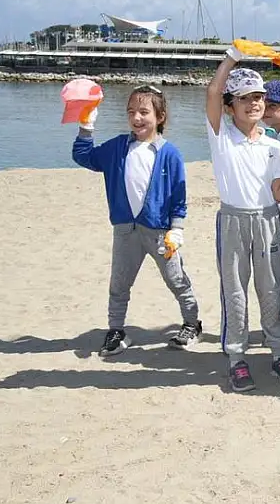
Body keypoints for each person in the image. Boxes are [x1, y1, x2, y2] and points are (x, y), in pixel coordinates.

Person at [206, 41, 280, 392]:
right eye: (244, 98)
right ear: (230, 105)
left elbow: (278, 192)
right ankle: (236, 358)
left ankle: (279, 352)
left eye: (259, 97)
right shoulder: (221, 136)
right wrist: (233, 56)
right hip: (234, 221)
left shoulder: (273, 145)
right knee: (234, 291)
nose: (254, 103)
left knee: (271, 289)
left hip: (268, 220)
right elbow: (213, 90)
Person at [72, 84, 202, 357]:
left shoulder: (170, 154)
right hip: (125, 231)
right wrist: (86, 127)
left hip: (160, 233)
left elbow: (179, 196)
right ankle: (116, 330)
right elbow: (84, 157)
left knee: (177, 279)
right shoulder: (118, 147)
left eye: (144, 111)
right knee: (119, 283)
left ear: (160, 116)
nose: (136, 117)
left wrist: (176, 230)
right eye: (131, 111)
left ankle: (192, 324)